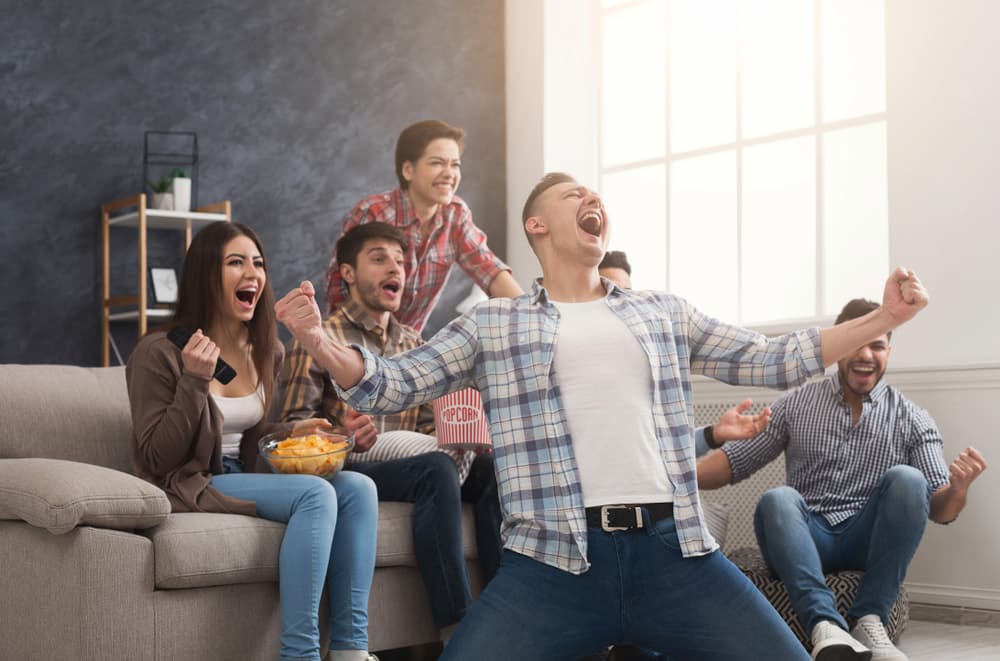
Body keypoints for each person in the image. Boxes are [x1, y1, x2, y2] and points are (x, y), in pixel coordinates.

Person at [275, 172, 929, 661]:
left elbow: (776, 359)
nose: (594, 199)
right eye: (573, 193)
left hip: (676, 556)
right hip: (549, 565)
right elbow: (392, 381)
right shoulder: (492, 322)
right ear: (537, 225)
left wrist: (884, 319)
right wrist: (317, 341)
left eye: (597, 195)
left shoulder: (662, 311)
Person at [126, 222, 380, 661]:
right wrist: (193, 380)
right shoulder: (159, 353)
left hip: (245, 475)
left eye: (258, 263)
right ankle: (298, 655)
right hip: (192, 481)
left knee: (359, 488)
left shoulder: (266, 350)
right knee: (317, 496)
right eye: (235, 262)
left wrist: (292, 433)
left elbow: (254, 438)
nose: (253, 274)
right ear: (207, 275)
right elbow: (156, 457)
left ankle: (351, 651)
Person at [697, 298, 987, 661]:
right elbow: (732, 464)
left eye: (877, 345)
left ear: (889, 352)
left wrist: (958, 490)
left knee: (910, 480)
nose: (865, 354)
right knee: (778, 499)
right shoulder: (796, 403)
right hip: (806, 539)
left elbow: (941, 509)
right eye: (854, 344)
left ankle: (869, 618)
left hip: (866, 541)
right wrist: (671, 473)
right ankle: (826, 627)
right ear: (837, 350)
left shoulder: (913, 417)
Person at [279, 222, 503, 641]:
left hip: (414, 465)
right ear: (348, 273)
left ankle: (506, 616)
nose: (395, 270)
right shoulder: (316, 339)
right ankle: (457, 630)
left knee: (489, 468)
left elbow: (425, 428)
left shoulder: (416, 344)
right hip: (353, 470)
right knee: (436, 468)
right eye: (379, 259)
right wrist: (341, 435)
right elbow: (291, 430)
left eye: (400, 261)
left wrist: (462, 429)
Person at [323, 119, 523, 333]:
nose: (449, 173)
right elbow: (338, 287)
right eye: (437, 163)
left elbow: (489, 270)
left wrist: (531, 317)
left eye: (455, 164)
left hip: (406, 349)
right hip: (353, 340)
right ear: (408, 170)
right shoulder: (373, 213)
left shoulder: (455, 214)